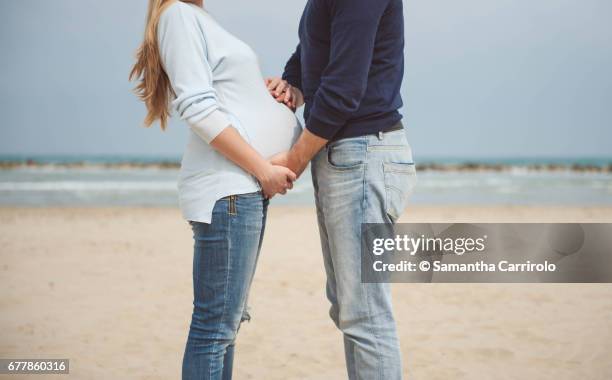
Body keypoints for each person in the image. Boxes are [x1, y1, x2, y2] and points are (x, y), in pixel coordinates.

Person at [130, 0, 301, 378]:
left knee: (226, 325)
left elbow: (226, 101)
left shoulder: (198, 18)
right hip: (231, 189)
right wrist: (262, 167)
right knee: (215, 329)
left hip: (244, 189)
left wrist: (281, 92)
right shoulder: (177, 14)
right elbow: (197, 106)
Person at [266, 0, 416, 378]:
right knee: (349, 308)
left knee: (365, 314)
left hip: (363, 154)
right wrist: (292, 85)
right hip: (347, 154)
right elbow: (315, 48)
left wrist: (295, 160)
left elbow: (345, 88)